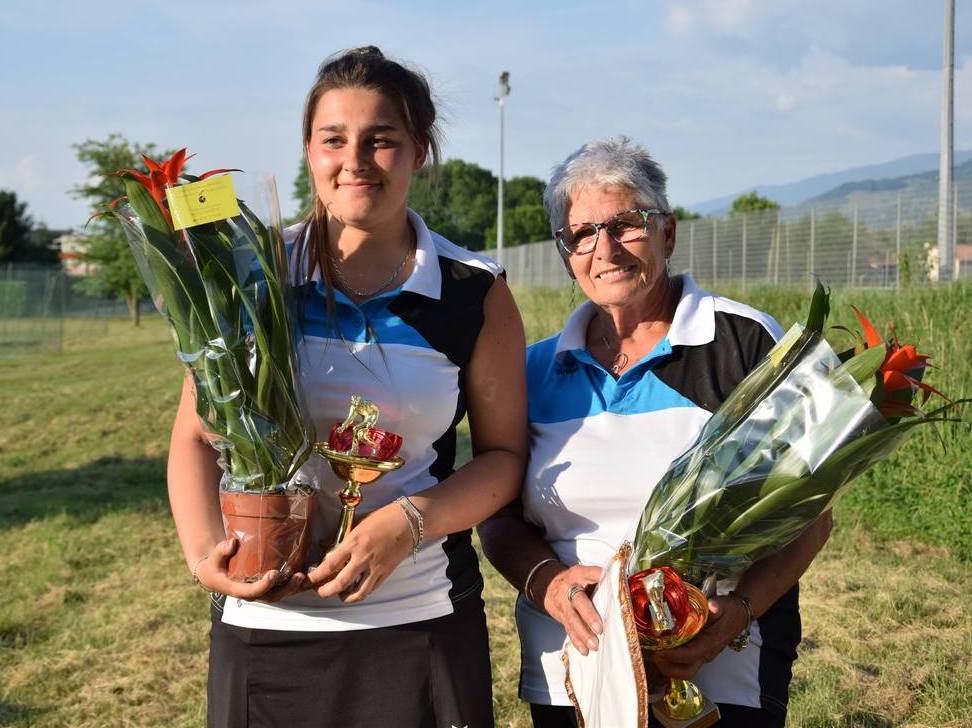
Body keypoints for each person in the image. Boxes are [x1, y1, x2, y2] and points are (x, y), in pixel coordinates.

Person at [168, 47, 527, 728]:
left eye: (381, 139)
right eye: (333, 139)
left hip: (421, 623)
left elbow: (504, 458)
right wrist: (204, 556)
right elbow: (193, 437)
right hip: (265, 626)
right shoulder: (254, 274)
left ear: (419, 151)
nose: (355, 160)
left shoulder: (474, 291)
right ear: (309, 151)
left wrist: (411, 521)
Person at [479, 137, 832, 728]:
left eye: (626, 225)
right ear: (566, 253)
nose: (605, 249)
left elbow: (811, 515)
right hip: (571, 675)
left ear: (667, 232)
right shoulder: (532, 369)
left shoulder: (745, 343)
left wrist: (740, 612)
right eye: (582, 234)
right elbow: (497, 518)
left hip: (718, 673)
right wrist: (549, 584)